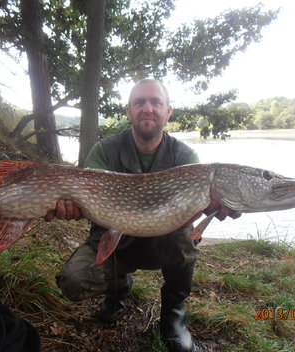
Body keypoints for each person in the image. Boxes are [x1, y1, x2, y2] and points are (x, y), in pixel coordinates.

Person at [45, 79, 241, 352]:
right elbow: (86, 202)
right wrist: (70, 206)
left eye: (155, 102)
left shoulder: (187, 158)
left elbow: (191, 215)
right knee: (74, 281)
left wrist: (214, 207)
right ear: (129, 111)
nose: (147, 108)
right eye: (139, 102)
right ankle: (118, 288)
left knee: (181, 239)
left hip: (162, 244)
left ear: (168, 111)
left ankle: (173, 315)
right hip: (114, 244)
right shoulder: (105, 150)